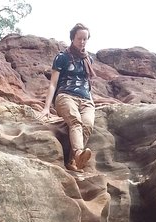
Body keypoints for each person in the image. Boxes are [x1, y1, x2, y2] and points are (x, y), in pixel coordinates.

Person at [39, 23, 95, 173]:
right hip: (65, 96)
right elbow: (53, 84)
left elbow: (88, 83)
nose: (82, 42)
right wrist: (46, 108)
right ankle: (78, 154)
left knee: (88, 124)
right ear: (72, 38)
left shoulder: (88, 59)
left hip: (86, 100)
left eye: (85, 39)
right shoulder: (62, 57)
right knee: (75, 121)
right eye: (79, 38)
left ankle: (73, 162)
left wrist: (91, 100)